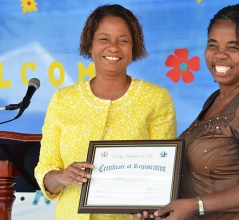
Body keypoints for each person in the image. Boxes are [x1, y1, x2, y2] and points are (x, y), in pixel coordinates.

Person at [34, 4, 176, 220]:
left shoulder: (156, 99)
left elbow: (162, 173)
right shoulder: (63, 100)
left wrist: (151, 206)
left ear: (134, 47)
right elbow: (45, 171)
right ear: (89, 45)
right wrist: (62, 176)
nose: (113, 47)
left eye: (123, 40)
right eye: (104, 39)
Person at [154, 4, 239, 220]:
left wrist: (194, 205)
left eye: (233, 47)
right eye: (213, 45)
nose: (220, 55)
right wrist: (154, 206)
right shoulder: (215, 99)